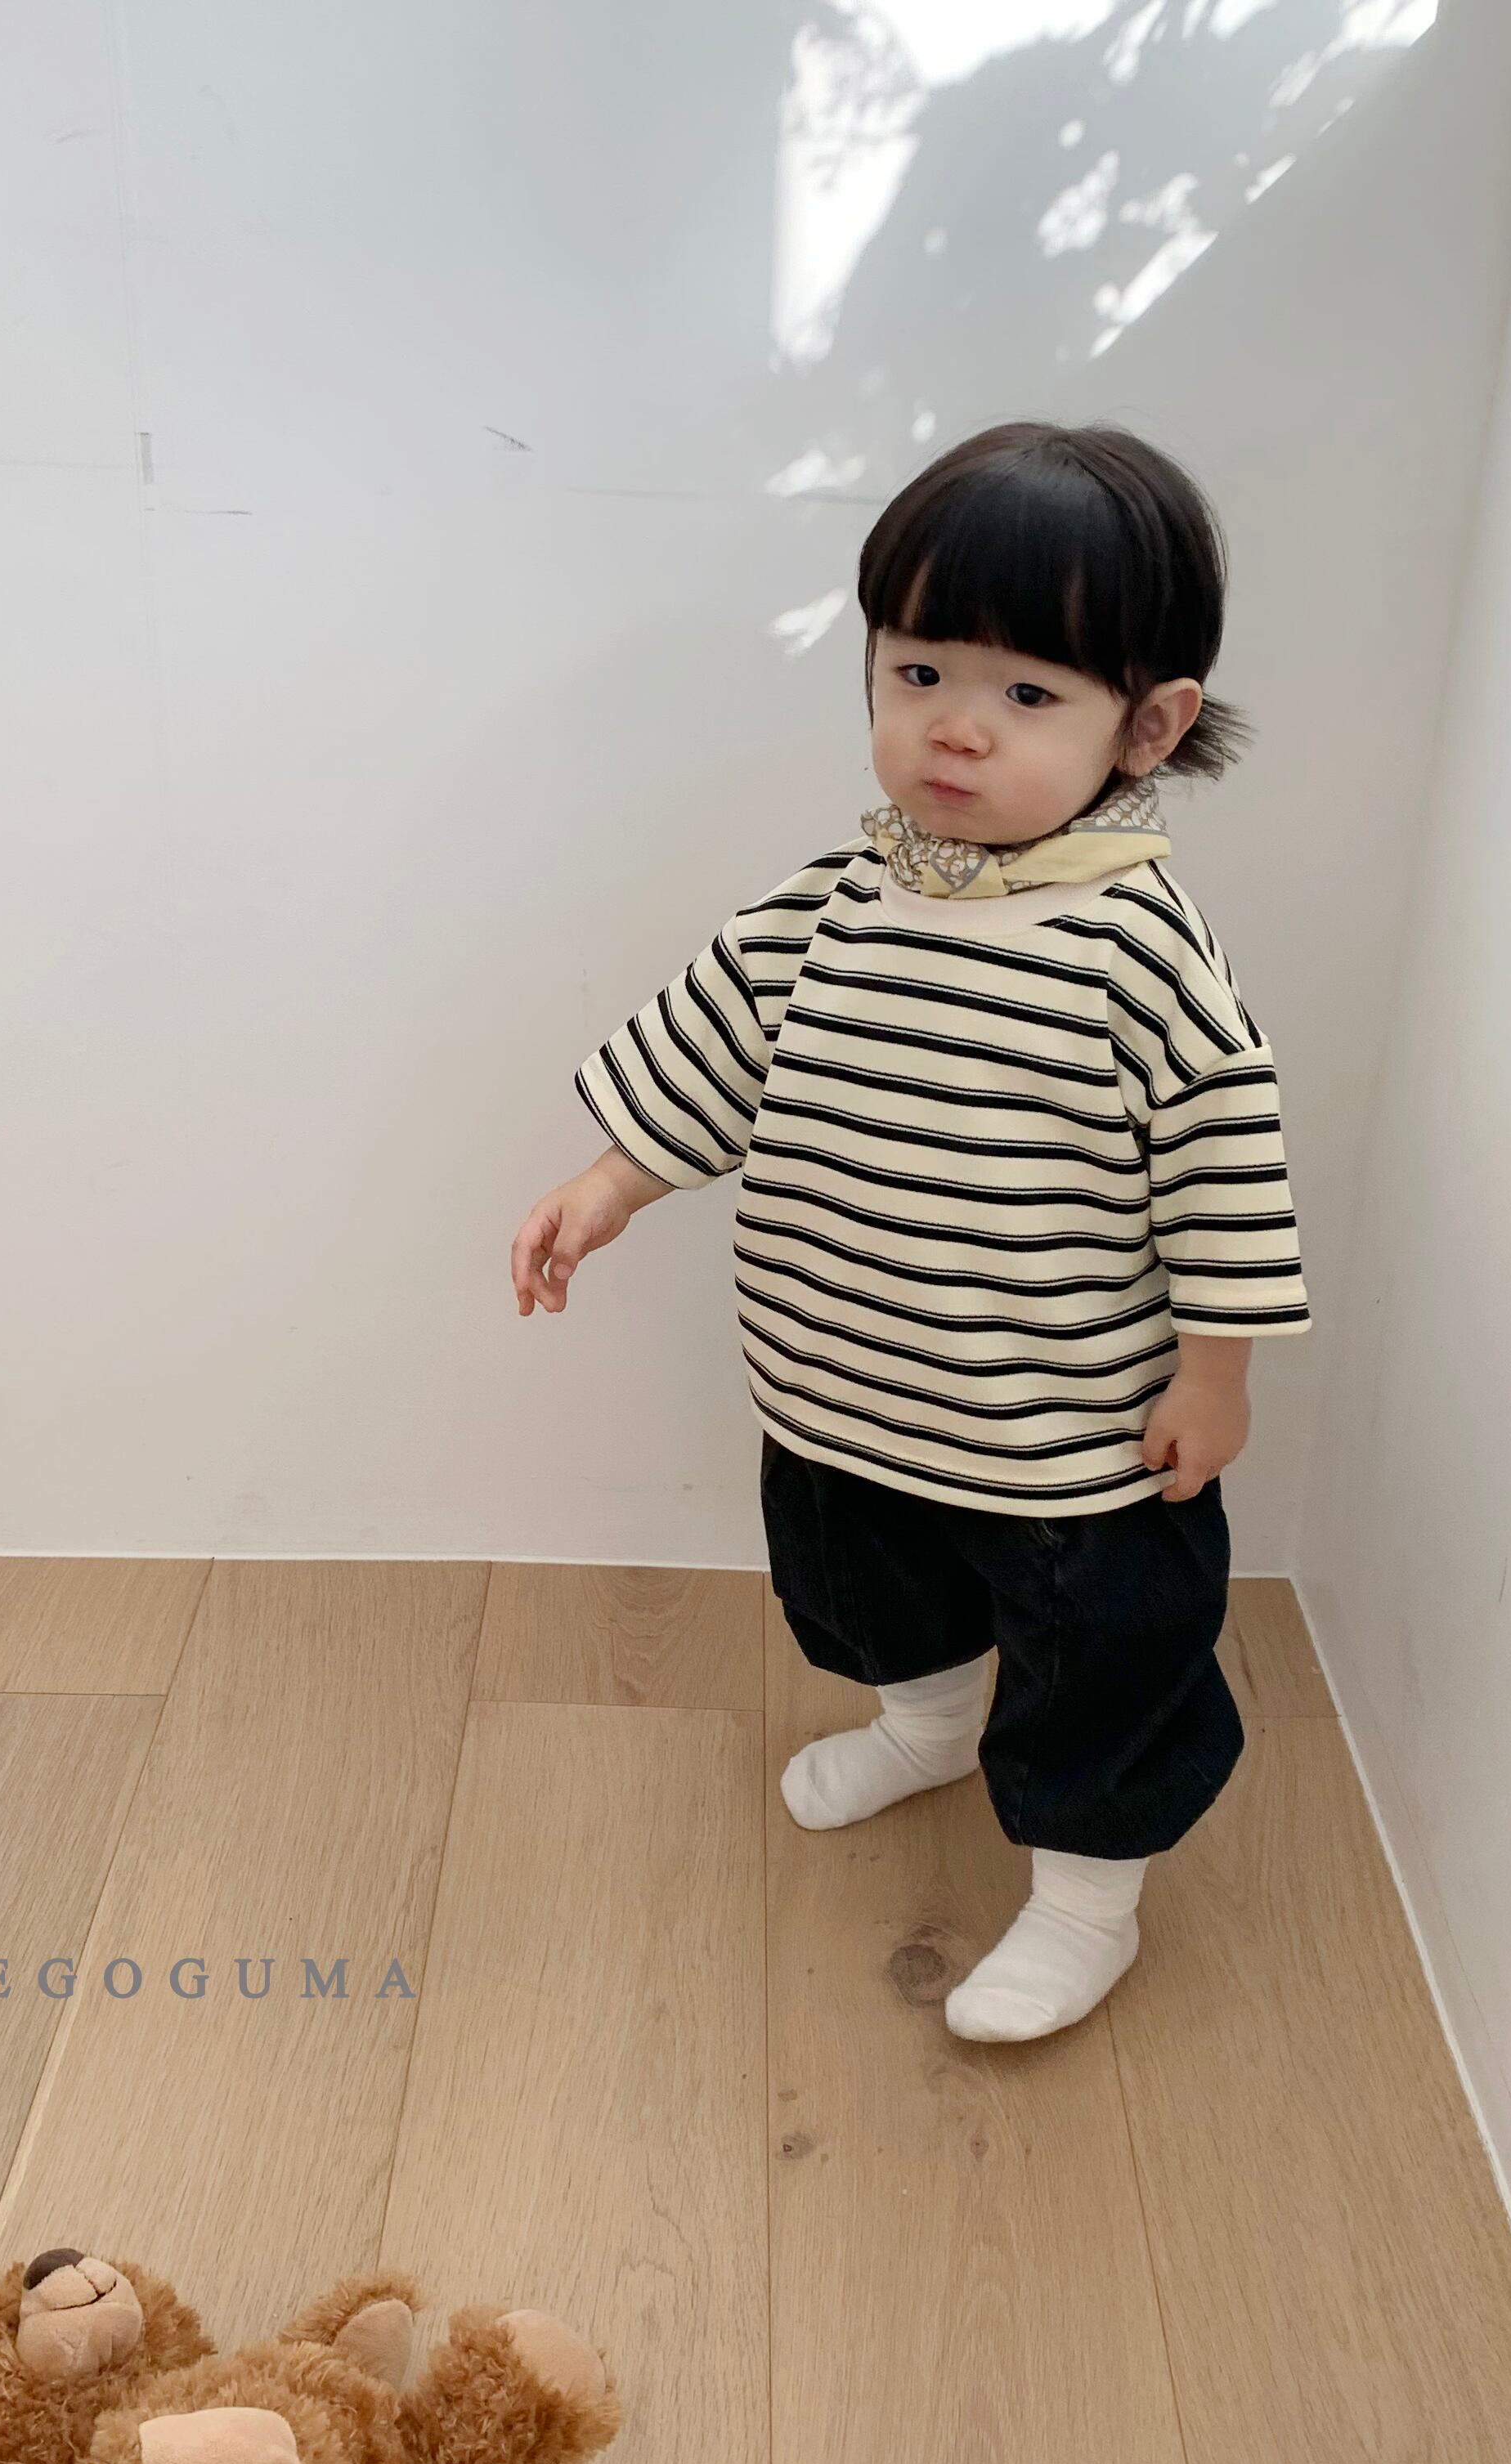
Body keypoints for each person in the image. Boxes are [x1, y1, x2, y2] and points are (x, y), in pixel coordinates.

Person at [509, 420, 1310, 2042]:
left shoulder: (1137, 952)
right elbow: (713, 1047)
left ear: (1148, 725)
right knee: (863, 1590)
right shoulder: (839, 897)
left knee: (1098, 1662)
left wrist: (1215, 1375)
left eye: (1029, 693)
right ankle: (927, 1724)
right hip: (846, 1386)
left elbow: (1224, 1167)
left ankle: (1087, 1901)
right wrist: (610, 1185)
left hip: (1061, 1433)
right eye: (920, 672)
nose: (956, 726)